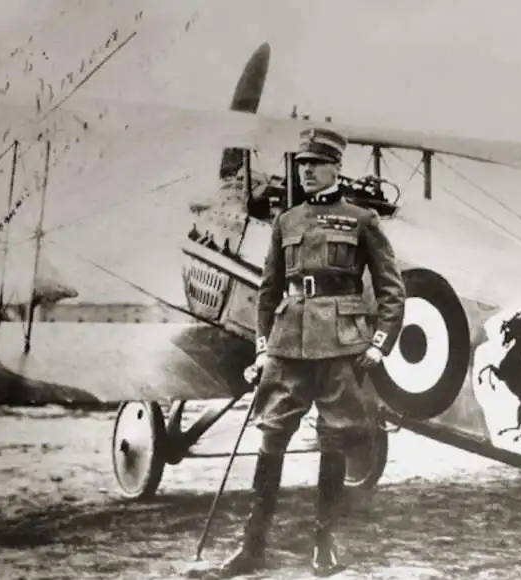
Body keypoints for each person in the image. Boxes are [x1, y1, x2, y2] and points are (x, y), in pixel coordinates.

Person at [218, 126, 406, 577]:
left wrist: (381, 344)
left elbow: (392, 290)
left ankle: (325, 544)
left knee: (336, 436)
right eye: (302, 164)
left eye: (315, 164)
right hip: (287, 344)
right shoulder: (287, 221)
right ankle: (252, 545)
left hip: (341, 346)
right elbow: (268, 290)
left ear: (336, 167)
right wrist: (263, 347)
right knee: (270, 435)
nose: (306, 171)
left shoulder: (362, 221)